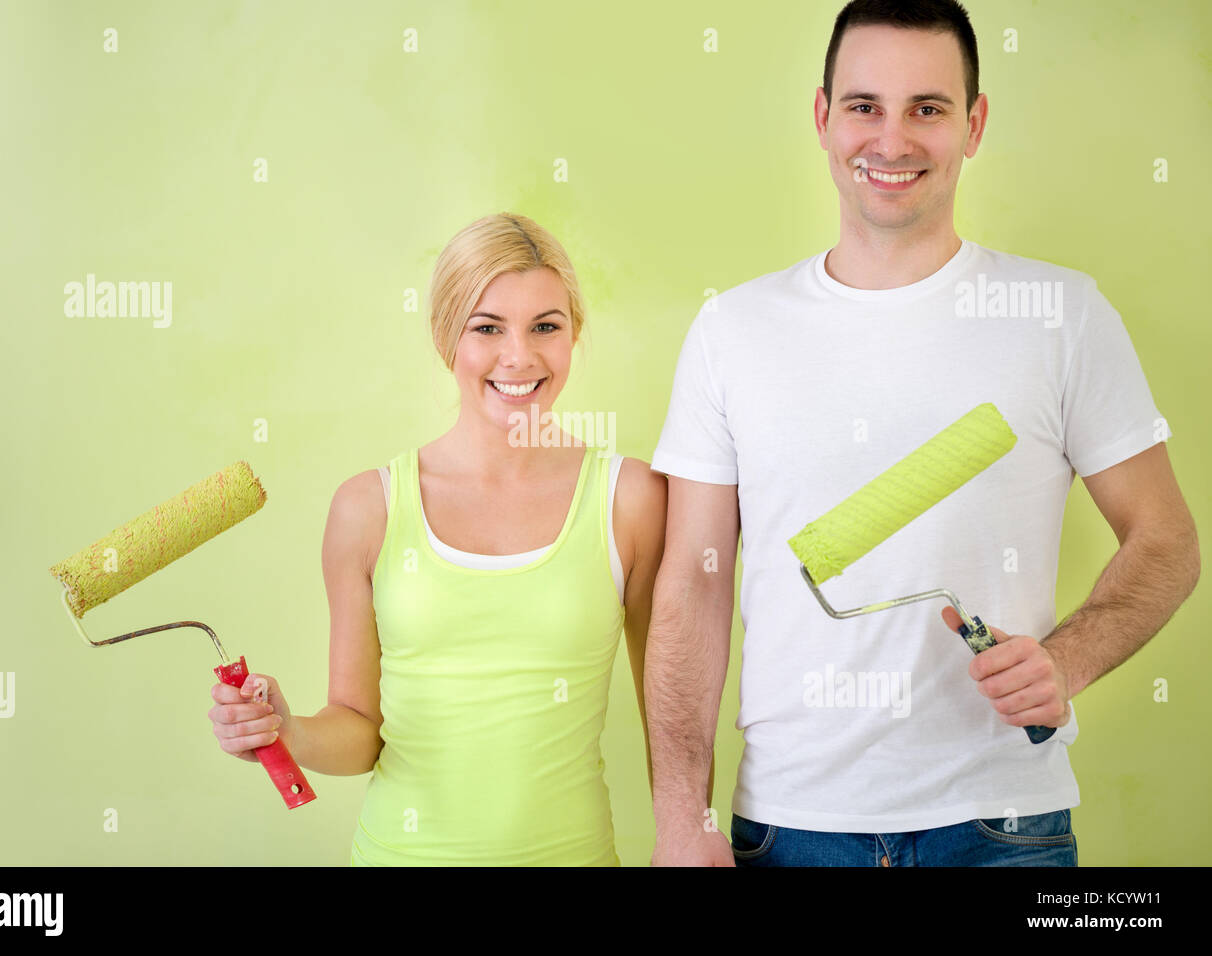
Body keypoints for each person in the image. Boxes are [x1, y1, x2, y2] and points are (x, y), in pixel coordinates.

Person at [644, 0, 1200, 867]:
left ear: (974, 125)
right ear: (823, 117)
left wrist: (1068, 660)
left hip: (1001, 826)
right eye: (865, 106)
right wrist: (685, 817)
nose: (892, 140)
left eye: (927, 109)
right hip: (790, 826)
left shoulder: (1060, 315)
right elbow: (692, 585)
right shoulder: (734, 330)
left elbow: (1166, 539)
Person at [208, 212, 667, 865]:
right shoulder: (368, 508)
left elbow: (670, 710)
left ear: (573, 335)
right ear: (445, 337)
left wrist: (686, 831)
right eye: (487, 327)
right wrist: (287, 730)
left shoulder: (630, 498)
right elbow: (360, 731)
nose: (520, 356)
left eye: (546, 326)